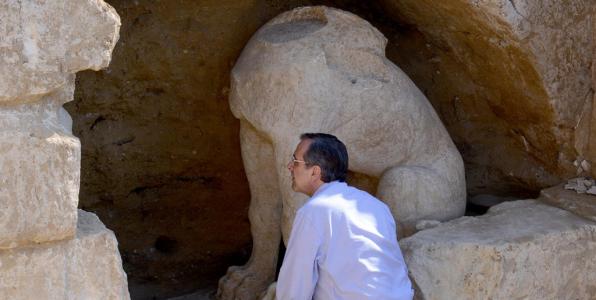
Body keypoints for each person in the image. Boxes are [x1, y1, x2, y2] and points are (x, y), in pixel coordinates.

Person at [276, 133, 414, 300]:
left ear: (315, 172)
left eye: (295, 161)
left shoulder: (314, 211)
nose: (289, 166)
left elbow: (294, 288)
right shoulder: (377, 206)